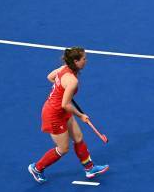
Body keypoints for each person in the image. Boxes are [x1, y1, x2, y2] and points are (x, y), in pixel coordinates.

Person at [28, 47, 109, 183]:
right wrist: (81, 115)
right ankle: (37, 168)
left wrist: (61, 91)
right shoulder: (72, 81)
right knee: (63, 148)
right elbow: (65, 104)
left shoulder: (63, 68)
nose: (86, 61)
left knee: (78, 137)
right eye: (84, 59)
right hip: (53, 114)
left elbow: (50, 77)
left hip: (61, 110)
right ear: (76, 61)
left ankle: (89, 168)